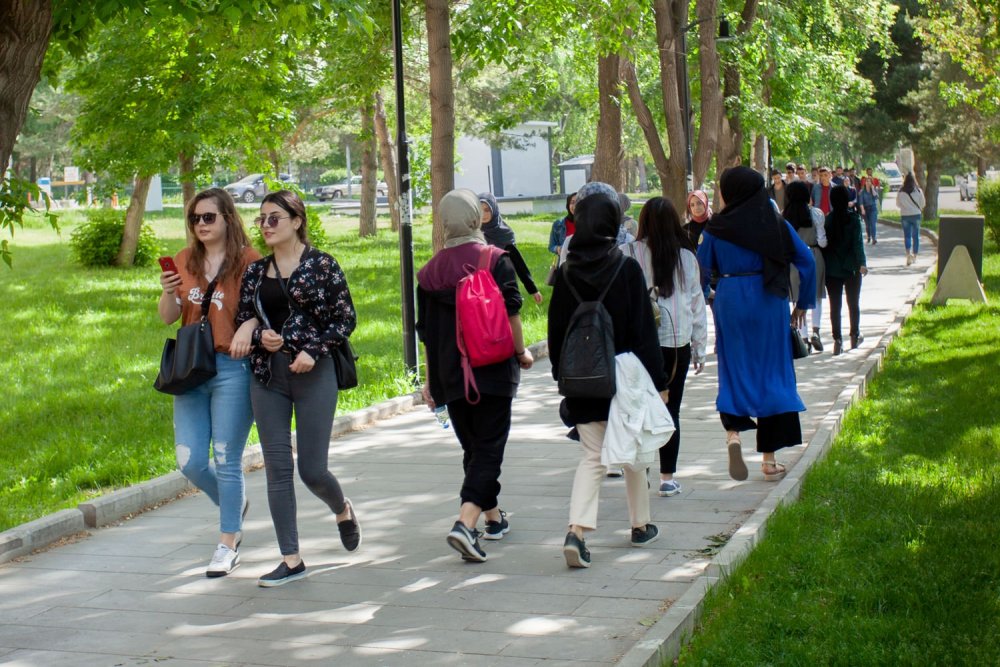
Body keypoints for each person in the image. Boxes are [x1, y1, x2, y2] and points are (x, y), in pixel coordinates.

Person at [233, 190, 361, 587]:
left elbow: (345, 319)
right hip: (267, 376)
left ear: (296, 220)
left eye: (274, 218)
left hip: (313, 372)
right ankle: (291, 558)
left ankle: (341, 508)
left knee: (312, 469)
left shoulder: (322, 265)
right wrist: (259, 336)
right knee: (277, 467)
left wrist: (313, 349)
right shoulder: (255, 273)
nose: (267, 226)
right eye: (262, 219)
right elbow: (246, 315)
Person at [548, 187, 667, 568]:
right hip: (625, 378)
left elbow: (555, 331)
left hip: (582, 379)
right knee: (633, 451)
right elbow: (644, 331)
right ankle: (640, 524)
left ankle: (577, 532)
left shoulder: (566, 274)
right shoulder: (627, 268)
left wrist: (560, 376)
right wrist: (659, 381)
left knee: (592, 457)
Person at [417, 189, 533, 563]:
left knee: (475, 449)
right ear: (473, 218)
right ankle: (466, 524)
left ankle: (493, 519)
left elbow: (427, 334)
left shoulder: (428, 273)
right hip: (494, 368)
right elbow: (512, 312)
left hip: (450, 376)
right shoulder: (494, 259)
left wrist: (430, 381)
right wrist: (521, 352)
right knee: (489, 448)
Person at [158, 188, 260, 578]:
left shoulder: (249, 262)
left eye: (208, 217)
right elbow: (169, 316)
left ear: (227, 218)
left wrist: (248, 329)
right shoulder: (185, 261)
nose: (201, 224)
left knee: (226, 458)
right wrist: (169, 292)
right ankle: (234, 504)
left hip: (231, 369)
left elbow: (264, 312)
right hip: (189, 371)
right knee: (190, 462)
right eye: (195, 219)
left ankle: (227, 543)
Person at [697, 166, 816, 483]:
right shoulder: (774, 222)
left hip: (731, 298)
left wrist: (710, 295)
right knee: (772, 372)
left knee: (733, 369)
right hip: (769, 299)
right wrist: (803, 303)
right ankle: (769, 459)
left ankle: (733, 434)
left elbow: (701, 268)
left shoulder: (716, 227)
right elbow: (806, 260)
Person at [622, 197, 708, 497]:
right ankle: (667, 477)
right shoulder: (686, 257)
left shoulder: (629, 252)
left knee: (639, 409)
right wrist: (700, 348)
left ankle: (640, 472)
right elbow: (696, 303)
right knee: (671, 409)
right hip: (676, 342)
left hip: (637, 344)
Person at [782, 181, 827, 353]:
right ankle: (816, 331)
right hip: (814, 255)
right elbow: (822, 241)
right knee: (816, 296)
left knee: (798, 298)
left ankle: (804, 337)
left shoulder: (784, 217)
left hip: (793, 260)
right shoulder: (816, 214)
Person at [823, 185, 869, 355]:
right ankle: (854, 335)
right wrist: (862, 263)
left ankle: (837, 340)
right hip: (852, 268)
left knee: (835, 306)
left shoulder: (828, 220)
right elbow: (858, 244)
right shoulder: (854, 219)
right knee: (853, 303)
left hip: (832, 269)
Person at [478, 192, 544, 305]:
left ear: (494, 209)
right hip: (479, 289)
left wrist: (532, 289)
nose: (483, 214)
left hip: (503, 287)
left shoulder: (504, 234)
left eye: (487, 210)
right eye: (480, 210)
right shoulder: (473, 233)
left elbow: (518, 263)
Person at [896, 173, 925, 266]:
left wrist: (905, 207)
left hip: (905, 215)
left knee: (907, 236)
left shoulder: (901, 192)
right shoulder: (918, 191)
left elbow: (898, 204)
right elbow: (923, 203)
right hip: (916, 214)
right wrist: (917, 208)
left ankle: (908, 254)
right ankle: (915, 256)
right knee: (915, 236)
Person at [858, 174, 880, 244]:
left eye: (869, 181)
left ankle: (874, 238)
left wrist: (873, 189)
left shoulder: (873, 190)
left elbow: (876, 197)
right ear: (865, 182)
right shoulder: (862, 191)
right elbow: (860, 201)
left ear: (871, 183)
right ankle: (868, 236)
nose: (868, 182)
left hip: (873, 208)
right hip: (865, 209)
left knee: (873, 224)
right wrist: (862, 210)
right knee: (868, 225)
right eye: (867, 181)